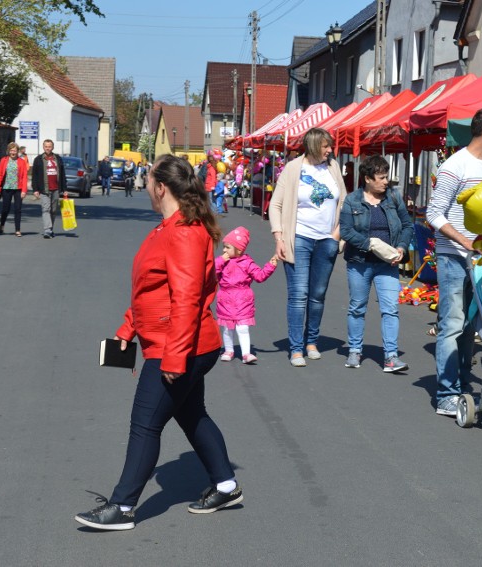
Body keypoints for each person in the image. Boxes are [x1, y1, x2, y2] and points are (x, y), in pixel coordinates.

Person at [74, 154, 242, 531]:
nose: (146, 186)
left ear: (161, 187)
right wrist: (127, 328)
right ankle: (226, 484)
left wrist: (173, 359)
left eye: (148, 181)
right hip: (182, 340)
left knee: (145, 424)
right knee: (191, 413)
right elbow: (153, 291)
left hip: (179, 345)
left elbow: (186, 299)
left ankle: (121, 507)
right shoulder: (169, 228)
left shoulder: (182, 231)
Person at [426, 108, 482, 416]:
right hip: (453, 258)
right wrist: (463, 241)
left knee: (470, 329)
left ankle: (461, 386)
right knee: (451, 325)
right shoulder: (454, 165)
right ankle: (447, 393)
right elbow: (433, 212)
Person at [269, 127, 346, 367]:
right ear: (313, 146)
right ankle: (296, 348)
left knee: (318, 294)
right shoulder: (294, 168)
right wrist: (279, 237)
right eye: (325, 146)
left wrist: (336, 235)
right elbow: (276, 205)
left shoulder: (333, 168)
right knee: (298, 295)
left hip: (327, 240)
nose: (330, 150)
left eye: (330, 146)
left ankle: (311, 341)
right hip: (299, 238)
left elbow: (343, 201)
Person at [339, 155, 414, 372]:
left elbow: (407, 225)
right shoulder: (353, 200)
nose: (386, 182)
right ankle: (354, 350)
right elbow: (345, 231)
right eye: (381, 178)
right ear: (368, 179)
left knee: (390, 309)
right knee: (357, 307)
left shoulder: (393, 198)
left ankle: (391, 356)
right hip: (359, 262)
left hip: (387, 264)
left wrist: (401, 246)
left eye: (386, 177)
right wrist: (369, 244)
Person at [215, 226, 277, 364]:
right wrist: (220, 261)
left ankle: (246, 354)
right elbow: (211, 272)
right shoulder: (222, 262)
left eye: (228, 247)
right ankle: (228, 350)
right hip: (225, 299)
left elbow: (259, 276)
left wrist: (270, 266)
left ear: (239, 249)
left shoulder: (247, 263)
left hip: (243, 300)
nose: (224, 250)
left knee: (242, 328)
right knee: (227, 328)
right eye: (224, 247)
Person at [31, 139, 68, 238]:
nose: (48, 148)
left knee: (53, 210)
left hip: (56, 188)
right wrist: (35, 189)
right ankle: (47, 230)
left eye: (49, 146)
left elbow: (63, 175)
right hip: (44, 189)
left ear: (53, 147)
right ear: (43, 147)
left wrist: (64, 189)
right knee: (46, 209)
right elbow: (34, 175)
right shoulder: (38, 159)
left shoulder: (58, 159)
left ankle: (50, 229)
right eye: (46, 146)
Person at [0, 142, 29, 237]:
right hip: (6, 188)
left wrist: (24, 190)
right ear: (9, 151)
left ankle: (18, 230)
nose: (13, 152)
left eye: (15, 150)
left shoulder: (21, 161)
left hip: (18, 188)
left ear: (18, 151)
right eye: (11, 150)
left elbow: (25, 176)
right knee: (6, 209)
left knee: (18, 209)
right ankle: (2, 224)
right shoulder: (4, 160)